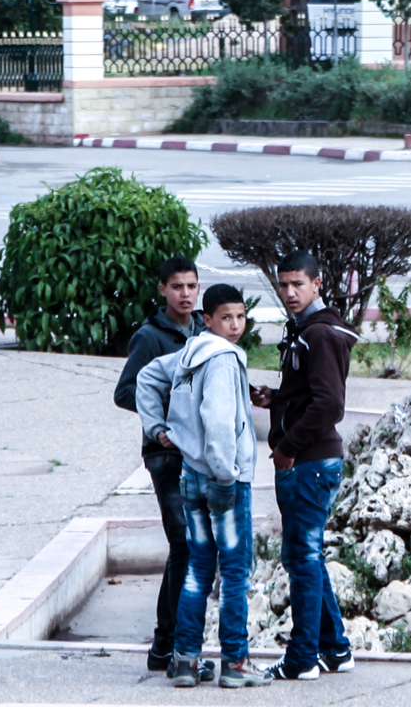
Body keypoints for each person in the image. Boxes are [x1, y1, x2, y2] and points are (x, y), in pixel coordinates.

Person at [138, 283, 267, 690]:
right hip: (223, 479)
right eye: (226, 317)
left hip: (190, 475)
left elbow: (146, 377)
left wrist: (157, 427)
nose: (235, 325)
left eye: (241, 316)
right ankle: (236, 662)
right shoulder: (224, 360)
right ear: (207, 319)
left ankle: (185, 659)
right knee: (233, 573)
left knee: (196, 567)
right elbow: (218, 424)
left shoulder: (190, 351)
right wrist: (226, 476)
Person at [252, 251, 359, 681]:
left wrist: (289, 448)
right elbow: (308, 393)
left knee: (302, 557)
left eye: (298, 284)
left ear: (317, 285)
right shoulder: (305, 331)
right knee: (306, 557)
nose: (290, 292)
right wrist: (276, 398)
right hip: (308, 460)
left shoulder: (321, 335)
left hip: (310, 462)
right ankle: (335, 650)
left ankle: (301, 659)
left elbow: (330, 404)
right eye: (283, 285)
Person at [114, 257, 202, 675]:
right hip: (165, 455)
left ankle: (174, 641)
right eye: (177, 287)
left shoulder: (205, 329)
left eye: (191, 286)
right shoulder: (150, 338)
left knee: (193, 548)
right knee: (182, 543)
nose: (185, 294)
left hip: (200, 453)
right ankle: (165, 643)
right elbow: (125, 392)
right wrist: (166, 409)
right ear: (163, 290)